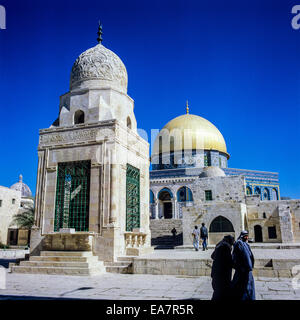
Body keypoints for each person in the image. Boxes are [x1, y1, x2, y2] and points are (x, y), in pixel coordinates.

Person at [231, 230, 256, 300]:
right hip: (244, 270)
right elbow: (246, 256)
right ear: (243, 236)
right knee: (245, 287)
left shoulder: (244, 243)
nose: (247, 238)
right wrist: (249, 267)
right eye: (246, 236)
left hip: (245, 269)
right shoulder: (240, 243)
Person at [211, 235, 235, 300]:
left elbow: (212, 256)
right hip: (223, 275)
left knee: (217, 293)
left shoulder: (219, 245)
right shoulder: (226, 247)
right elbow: (229, 262)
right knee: (222, 293)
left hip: (215, 273)